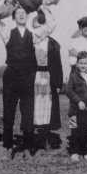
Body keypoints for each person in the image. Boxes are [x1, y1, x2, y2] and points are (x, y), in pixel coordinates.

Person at [0, 6, 38, 159]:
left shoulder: (34, 35)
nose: (21, 15)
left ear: (27, 16)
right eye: (18, 13)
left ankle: (27, 147)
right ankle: (7, 146)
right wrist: (7, 4)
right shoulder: (7, 33)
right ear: (13, 17)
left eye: (24, 13)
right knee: (8, 113)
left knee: (28, 113)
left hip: (28, 77)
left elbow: (50, 26)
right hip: (11, 76)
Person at [29, 8, 63, 150]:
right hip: (34, 77)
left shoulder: (53, 44)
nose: (39, 31)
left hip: (48, 77)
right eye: (36, 27)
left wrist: (58, 82)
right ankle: (36, 138)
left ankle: (46, 136)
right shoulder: (30, 42)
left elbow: (58, 64)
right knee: (34, 106)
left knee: (47, 107)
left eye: (41, 27)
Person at [66, 51, 87, 163]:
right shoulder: (73, 76)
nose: (83, 66)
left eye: (85, 63)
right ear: (77, 64)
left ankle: (86, 152)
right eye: (80, 63)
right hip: (75, 111)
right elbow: (69, 91)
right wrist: (78, 101)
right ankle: (75, 152)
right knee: (75, 131)